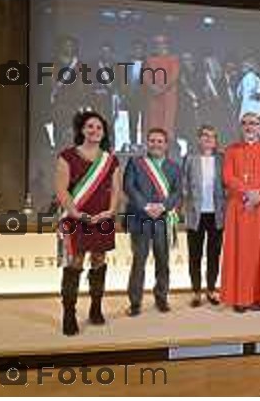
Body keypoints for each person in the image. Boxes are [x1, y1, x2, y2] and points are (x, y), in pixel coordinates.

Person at [54, 111, 121, 336]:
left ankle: (95, 308)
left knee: (99, 260)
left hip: (102, 217)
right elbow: (61, 189)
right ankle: (69, 313)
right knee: (75, 262)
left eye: (99, 128)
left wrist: (110, 212)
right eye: (90, 126)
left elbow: (116, 190)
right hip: (76, 217)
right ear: (82, 130)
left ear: (104, 133)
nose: (94, 131)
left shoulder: (111, 160)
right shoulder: (67, 156)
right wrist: (75, 212)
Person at [220, 112, 260, 312]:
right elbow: (228, 177)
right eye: (245, 123)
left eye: (253, 123)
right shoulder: (231, 150)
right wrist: (248, 193)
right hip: (240, 208)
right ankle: (241, 298)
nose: (249, 127)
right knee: (241, 255)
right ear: (241, 127)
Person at [124, 127, 181, 315]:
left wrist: (163, 207)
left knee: (163, 261)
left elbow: (177, 192)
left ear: (166, 145)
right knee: (138, 261)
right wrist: (146, 207)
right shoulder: (135, 163)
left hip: (163, 219)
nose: (156, 144)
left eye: (160, 141)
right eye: (152, 141)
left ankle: (161, 297)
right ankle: (135, 302)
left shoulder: (174, 167)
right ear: (147, 143)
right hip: (140, 218)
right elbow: (129, 187)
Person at [182, 125, 225, 307]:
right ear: (199, 139)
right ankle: (196, 292)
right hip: (195, 214)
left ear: (216, 141)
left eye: (212, 136)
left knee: (214, 254)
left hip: (217, 214)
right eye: (205, 135)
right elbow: (184, 184)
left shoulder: (222, 160)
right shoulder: (190, 159)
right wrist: (183, 207)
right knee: (195, 255)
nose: (208, 139)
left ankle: (211, 290)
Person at [144, 35, 181, 143]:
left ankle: (167, 145)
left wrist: (162, 89)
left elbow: (174, 76)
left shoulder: (173, 59)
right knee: (154, 121)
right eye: (157, 44)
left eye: (162, 43)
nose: (159, 46)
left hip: (168, 96)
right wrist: (153, 87)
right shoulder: (149, 59)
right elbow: (146, 76)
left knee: (167, 122)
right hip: (154, 95)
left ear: (167, 45)